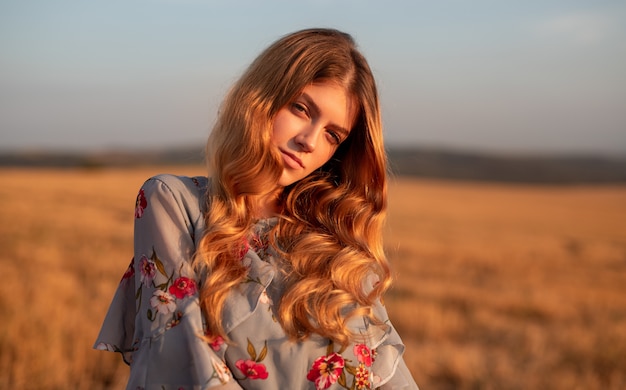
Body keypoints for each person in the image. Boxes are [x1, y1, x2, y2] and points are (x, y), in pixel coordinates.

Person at [94, 28, 419, 390]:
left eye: (332, 135)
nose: (308, 141)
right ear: (262, 96)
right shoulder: (174, 203)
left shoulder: (340, 246)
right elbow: (183, 359)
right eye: (301, 108)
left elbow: (389, 373)